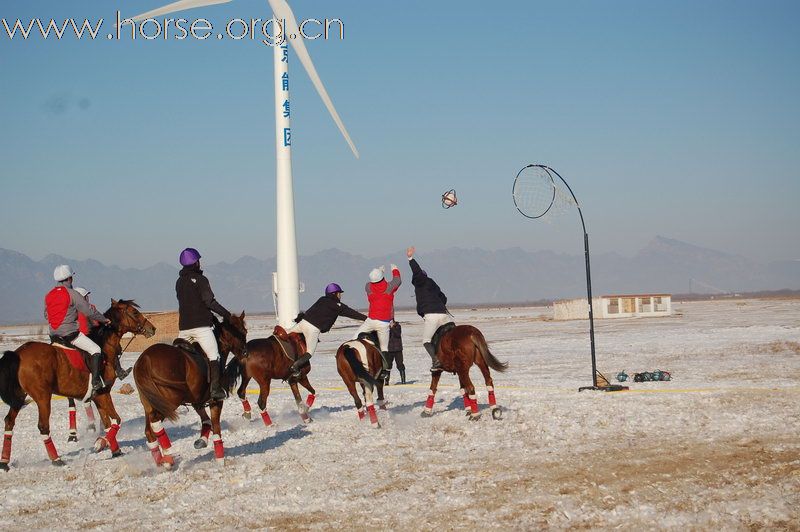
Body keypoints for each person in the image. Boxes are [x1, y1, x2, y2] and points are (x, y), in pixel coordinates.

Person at [44, 265, 112, 396]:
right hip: (70, 335)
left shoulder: (48, 295)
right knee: (96, 350)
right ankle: (96, 382)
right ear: (69, 278)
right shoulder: (72, 294)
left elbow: (46, 315)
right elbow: (88, 311)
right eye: (71, 277)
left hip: (53, 336)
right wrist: (104, 320)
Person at [175, 248, 233, 400]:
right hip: (201, 328)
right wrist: (227, 315)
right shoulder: (201, 280)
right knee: (215, 356)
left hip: (184, 329)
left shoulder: (179, 282)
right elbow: (210, 302)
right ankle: (215, 390)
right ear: (196, 262)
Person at [286, 283, 367, 379]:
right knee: (309, 352)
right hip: (313, 329)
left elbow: (310, 310)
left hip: (303, 323)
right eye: (339, 293)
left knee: (286, 333)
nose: (340, 295)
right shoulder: (337, 305)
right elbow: (352, 313)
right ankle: (295, 367)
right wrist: (366, 318)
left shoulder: (322, 299)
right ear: (335, 294)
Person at [352, 263, 401, 381]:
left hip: (370, 320)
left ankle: (353, 360)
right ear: (382, 278)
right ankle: (384, 370)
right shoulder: (389, 288)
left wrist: (380, 271)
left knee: (355, 338)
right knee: (384, 347)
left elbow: (373, 282)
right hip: (383, 323)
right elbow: (397, 280)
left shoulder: (368, 287)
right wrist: (394, 269)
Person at [406, 247, 450, 371]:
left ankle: (436, 361)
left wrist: (410, 258)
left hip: (431, 316)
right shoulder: (432, 283)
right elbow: (444, 298)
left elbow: (417, 271)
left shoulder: (420, 281)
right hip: (443, 313)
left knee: (426, 340)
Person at [74, 287, 131, 380]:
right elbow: (95, 322)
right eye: (86, 296)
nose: (87, 298)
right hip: (88, 335)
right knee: (106, 347)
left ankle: (119, 371)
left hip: (79, 335)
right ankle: (113, 373)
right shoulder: (88, 307)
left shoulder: (73, 308)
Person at [386, 320, 406, 385]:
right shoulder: (385, 327)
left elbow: (398, 334)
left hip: (398, 349)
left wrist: (392, 328)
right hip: (389, 350)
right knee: (388, 365)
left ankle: (403, 381)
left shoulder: (398, 326)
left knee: (400, 365)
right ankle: (386, 382)